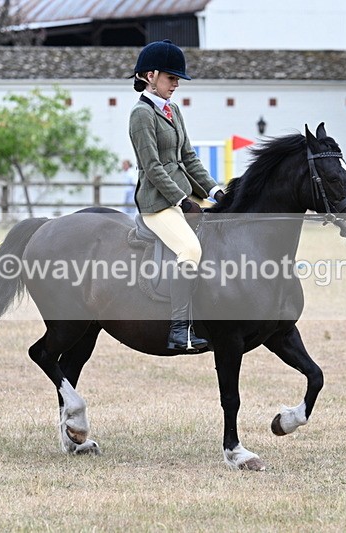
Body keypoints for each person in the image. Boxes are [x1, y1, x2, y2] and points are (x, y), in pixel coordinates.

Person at [129, 39, 225, 353]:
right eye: (171, 77)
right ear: (149, 75)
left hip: (182, 194)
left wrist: (214, 191)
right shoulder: (141, 115)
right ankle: (179, 330)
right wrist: (182, 200)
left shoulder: (172, 110)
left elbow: (189, 157)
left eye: (177, 79)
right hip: (157, 203)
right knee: (189, 249)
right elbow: (152, 167)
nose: (176, 84)